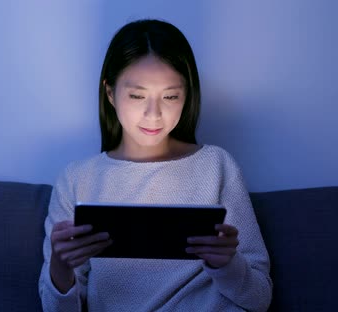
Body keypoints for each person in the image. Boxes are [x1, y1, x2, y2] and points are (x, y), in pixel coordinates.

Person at [38, 19, 272, 311]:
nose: (154, 114)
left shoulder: (216, 165)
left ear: (187, 96)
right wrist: (61, 270)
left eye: (171, 96)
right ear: (110, 93)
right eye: (137, 96)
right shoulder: (77, 179)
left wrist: (227, 265)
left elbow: (260, 299)